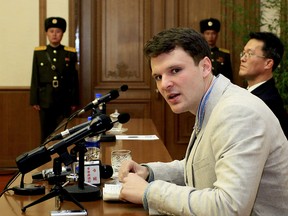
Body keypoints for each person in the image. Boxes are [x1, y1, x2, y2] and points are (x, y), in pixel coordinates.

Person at [118, 27, 288, 215]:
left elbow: (229, 208)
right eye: (158, 76)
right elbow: (200, 166)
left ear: (206, 67)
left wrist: (149, 192)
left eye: (175, 70)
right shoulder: (211, 102)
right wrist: (149, 173)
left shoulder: (237, 113)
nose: (164, 84)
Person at [30, 17, 79, 144]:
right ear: (46, 33)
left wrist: (74, 100)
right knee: (46, 133)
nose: (54, 34)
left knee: (63, 133)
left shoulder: (70, 53)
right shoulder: (39, 53)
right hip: (45, 99)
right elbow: (35, 76)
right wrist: (34, 99)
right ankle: (45, 162)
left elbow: (74, 79)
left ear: (62, 33)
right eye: (51, 31)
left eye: (58, 31)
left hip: (64, 100)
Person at [239, 31, 288, 139]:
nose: (242, 59)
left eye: (250, 54)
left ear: (268, 63)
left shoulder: (267, 102)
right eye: (243, 53)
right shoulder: (247, 93)